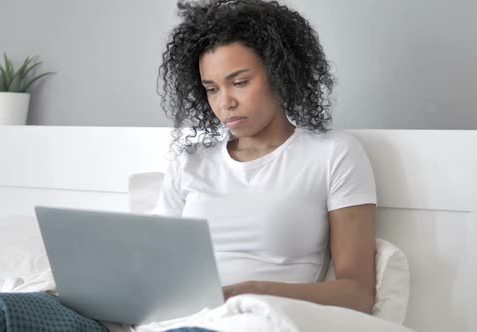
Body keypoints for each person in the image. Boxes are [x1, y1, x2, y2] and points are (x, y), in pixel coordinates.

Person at [154, 0, 377, 314]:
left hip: (258, 320)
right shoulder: (190, 161)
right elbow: (153, 265)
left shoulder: (333, 154)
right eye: (212, 88)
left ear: (280, 75)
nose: (225, 102)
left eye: (240, 83)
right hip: (177, 318)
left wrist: (251, 292)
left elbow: (358, 294)